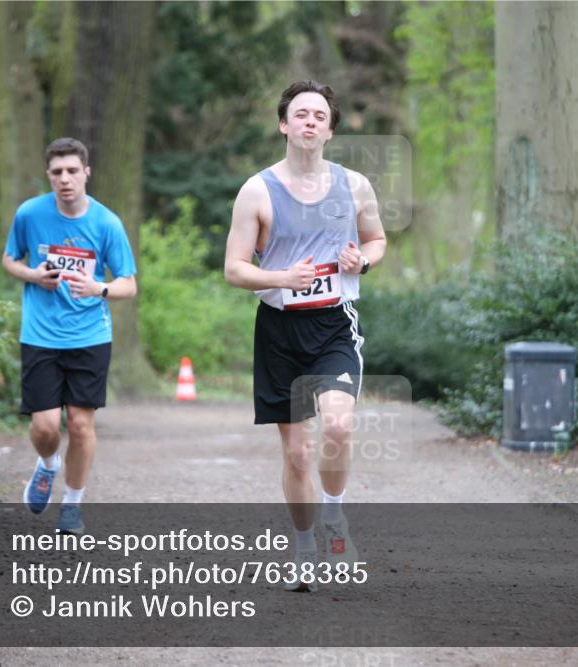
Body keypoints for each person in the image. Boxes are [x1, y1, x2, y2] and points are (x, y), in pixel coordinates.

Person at [224, 80, 387, 591]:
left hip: (334, 322)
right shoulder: (256, 190)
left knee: (337, 428)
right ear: (284, 124)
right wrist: (279, 278)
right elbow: (233, 269)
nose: (310, 121)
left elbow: (377, 240)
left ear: (331, 129)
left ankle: (335, 521)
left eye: (319, 115)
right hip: (278, 330)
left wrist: (364, 259)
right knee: (296, 454)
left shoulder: (355, 185)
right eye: (300, 114)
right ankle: (303, 545)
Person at [2, 137, 137, 534]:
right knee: (45, 427)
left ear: (86, 173)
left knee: (80, 425)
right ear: (49, 175)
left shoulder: (107, 223)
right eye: (57, 172)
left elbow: (128, 283)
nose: (65, 179)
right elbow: (9, 259)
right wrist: (33, 276)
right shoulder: (30, 214)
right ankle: (47, 465)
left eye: (72, 171)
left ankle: (73, 504)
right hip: (40, 335)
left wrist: (100, 289)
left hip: (90, 335)